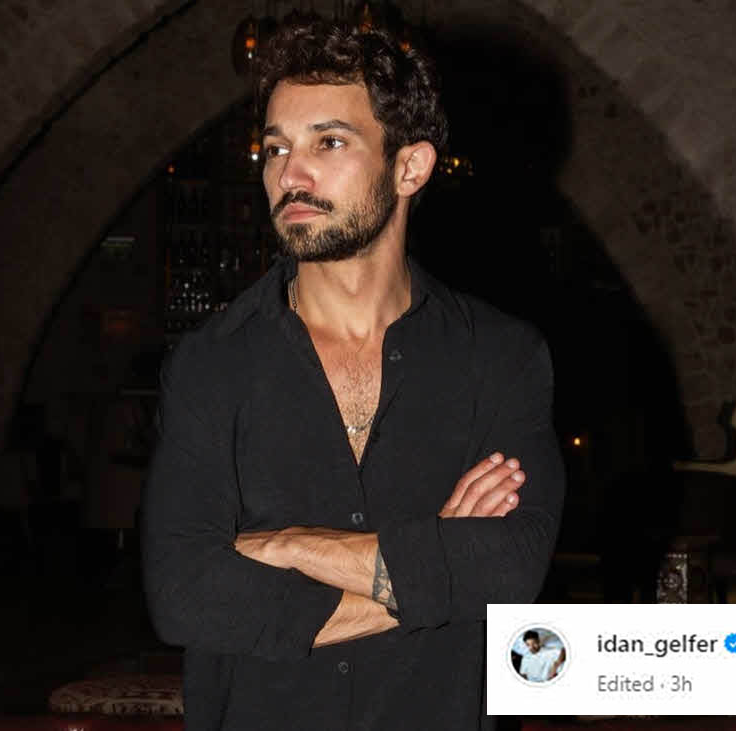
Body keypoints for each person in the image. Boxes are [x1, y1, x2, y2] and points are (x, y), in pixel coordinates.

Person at [141, 18, 565, 731]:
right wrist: (435, 561)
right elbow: (184, 591)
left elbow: (510, 567)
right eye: (276, 147)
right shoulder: (211, 363)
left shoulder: (499, 356)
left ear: (410, 168)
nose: (290, 175)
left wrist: (287, 547)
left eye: (328, 142)